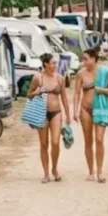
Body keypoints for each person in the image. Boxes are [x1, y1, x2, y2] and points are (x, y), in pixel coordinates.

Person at [27, 53, 71, 184]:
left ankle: (55, 168)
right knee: (44, 143)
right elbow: (28, 95)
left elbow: (63, 97)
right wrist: (37, 91)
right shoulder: (38, 78)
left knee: (56, 142)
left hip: (56, 112)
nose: (55, 65)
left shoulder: (60, 78)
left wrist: (68, 115)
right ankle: (46, 173)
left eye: (55, 63)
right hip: (41, 112)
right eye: (52, 63)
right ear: (45, 64)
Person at [73, 47, 108, 182]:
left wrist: (101, 90)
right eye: (83, 59)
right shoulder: (80, 74)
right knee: (88, 141)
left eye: (85, 59)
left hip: (100, 108)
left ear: (93, 59)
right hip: (85, 108)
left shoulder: (104, 71)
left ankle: (100, 171)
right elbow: (77, 93)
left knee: (99, 139)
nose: (83, 61)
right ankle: (91, 171)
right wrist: (75, 110)